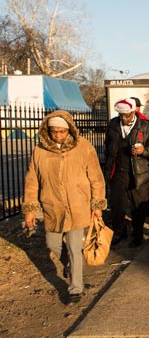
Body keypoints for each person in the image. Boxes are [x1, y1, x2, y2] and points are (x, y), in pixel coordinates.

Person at [22, 110, 107, 305]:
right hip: (52, 206)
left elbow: (96, 177)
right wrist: (30, 209)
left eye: (62, 131)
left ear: (69, 130)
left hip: (78, 205)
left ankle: (75, 288)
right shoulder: (39, 150)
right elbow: (32, 180)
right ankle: (68, 263)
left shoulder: (84, 147)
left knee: (74, 247)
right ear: (48, 130)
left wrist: (97, 204)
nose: (58, 135)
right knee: (53, 244)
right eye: (54, 132)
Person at [104, 98, 149, 248]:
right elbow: (107, 146)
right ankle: (119, 232)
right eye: (121, 115)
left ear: (134, 111)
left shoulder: (146, 126)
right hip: (118, 173)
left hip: (139, 173)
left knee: (138, 207)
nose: (124, 118)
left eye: (127, 115)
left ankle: (138, 235)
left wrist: (145, 151)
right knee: (117, 206)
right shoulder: (113, 125)